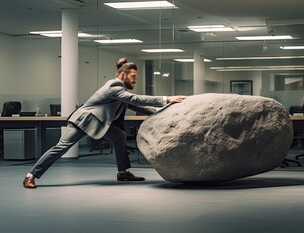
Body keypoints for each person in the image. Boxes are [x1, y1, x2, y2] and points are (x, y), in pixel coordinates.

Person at [23, 58, 187, 188]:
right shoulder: (114, 86)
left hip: (98, 122)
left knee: (119, 136)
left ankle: (123, 172)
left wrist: (163, 112)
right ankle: (30, 176)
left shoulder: (120, 92)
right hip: (84, 121)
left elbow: (133, 104)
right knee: (61, 147)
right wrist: (167, 98)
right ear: (123, 76)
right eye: (133, 77)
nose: (135, 80)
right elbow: (135, 99)